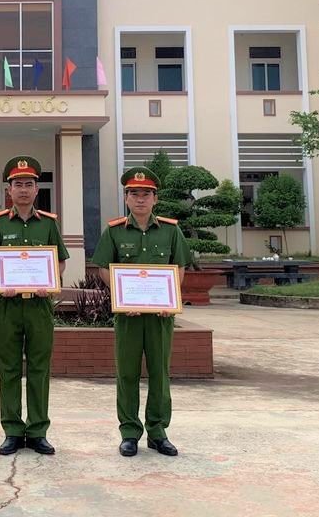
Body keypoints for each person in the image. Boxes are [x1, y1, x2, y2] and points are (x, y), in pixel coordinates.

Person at [91, 167, 193, 458]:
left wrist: (169, 299)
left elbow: (180, 268)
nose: (140, 199)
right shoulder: (113, 231)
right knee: (127, 374)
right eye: (134, 194)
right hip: (129, 317)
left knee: (160, 374)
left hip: (160, 317)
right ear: (125, 198)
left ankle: (158, 432)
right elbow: (102, 268)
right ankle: (129, 432)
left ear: (155, 199)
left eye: (145, 194)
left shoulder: (171, 231)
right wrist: (123, 298)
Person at [0, 156, 68, 456]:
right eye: (18, 184)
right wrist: (2, 282)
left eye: (29, 184)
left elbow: (60, 261)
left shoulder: (49, 224)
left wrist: (51, 278)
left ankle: (39, 430)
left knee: (40, 368)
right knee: (9, 367)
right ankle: (13, 430)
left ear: (37, 189)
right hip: (8, 305)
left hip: (40, 306)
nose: (23, 190)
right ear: (9, 189)